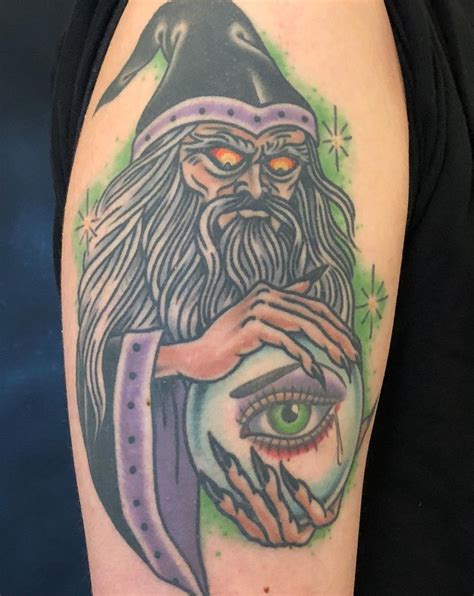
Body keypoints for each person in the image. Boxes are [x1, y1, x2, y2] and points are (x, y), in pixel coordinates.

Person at [51, 1, 473, 594]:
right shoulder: (301, 13)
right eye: (223, 159)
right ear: (163, 175)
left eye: (280, 163)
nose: (255, 188)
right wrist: (185, 358)